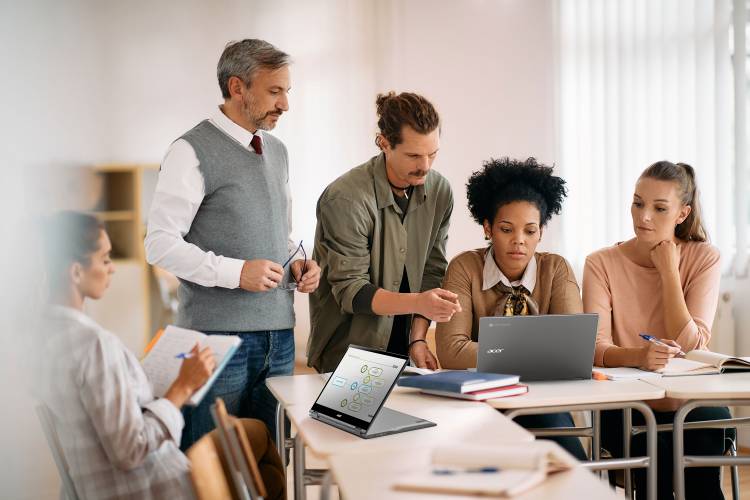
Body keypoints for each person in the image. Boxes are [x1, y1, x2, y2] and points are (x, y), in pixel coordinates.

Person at [34, 212, 286, 500]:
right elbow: (131, 450)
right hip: (153, 486)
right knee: (259, 437)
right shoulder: (94, 345)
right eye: (104, 259)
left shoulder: (44, 339)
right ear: (75, 271)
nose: (112, 268)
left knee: (251, 438)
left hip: (94, 485)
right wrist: (183, 387)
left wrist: (136, 380)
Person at [145, 39, 320, 449]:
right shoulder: (190, 151)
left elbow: (278, 230)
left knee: (271, 464)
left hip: (280, 336)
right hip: (216, 341)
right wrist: (236, 272)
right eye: (274, 91)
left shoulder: (277, 151)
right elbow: (159, 243)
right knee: (213, 463)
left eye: (287, 92)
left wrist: (299, 261)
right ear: (238, 88)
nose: (285, 105)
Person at [583, 161, 732, 499]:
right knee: (659, 463)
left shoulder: (704, 257)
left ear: (682, 214)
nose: (643, 216)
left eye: (659, 208)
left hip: (691, 401)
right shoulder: (600, 263)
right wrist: (639, 356)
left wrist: (669, 272)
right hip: (624, 405)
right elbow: (595, 348)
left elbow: (692, 344)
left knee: (700, 457)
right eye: (638, 203)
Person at [435, 157, 587, 460]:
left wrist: (494, 352)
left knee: (563, 454)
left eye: (530, 231)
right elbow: (451, 351)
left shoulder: (556, 269)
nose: (519, 241)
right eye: (506, 229)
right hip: (480, 404)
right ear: (488, 228)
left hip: (545, 402)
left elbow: (573, 349)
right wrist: (538, 353)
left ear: (541, 232)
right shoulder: (464, 267)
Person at [307, 91, 461, 373]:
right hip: (349, 355)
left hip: (406, 353)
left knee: (424, 418)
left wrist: (417, 338)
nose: (425, 165)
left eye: (432, 153)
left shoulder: (440, 192)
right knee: (351, 419)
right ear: (384, 143)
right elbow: (351, 292)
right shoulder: (346, 199)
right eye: (414, 155)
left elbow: (432, 270)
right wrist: (419, 303)